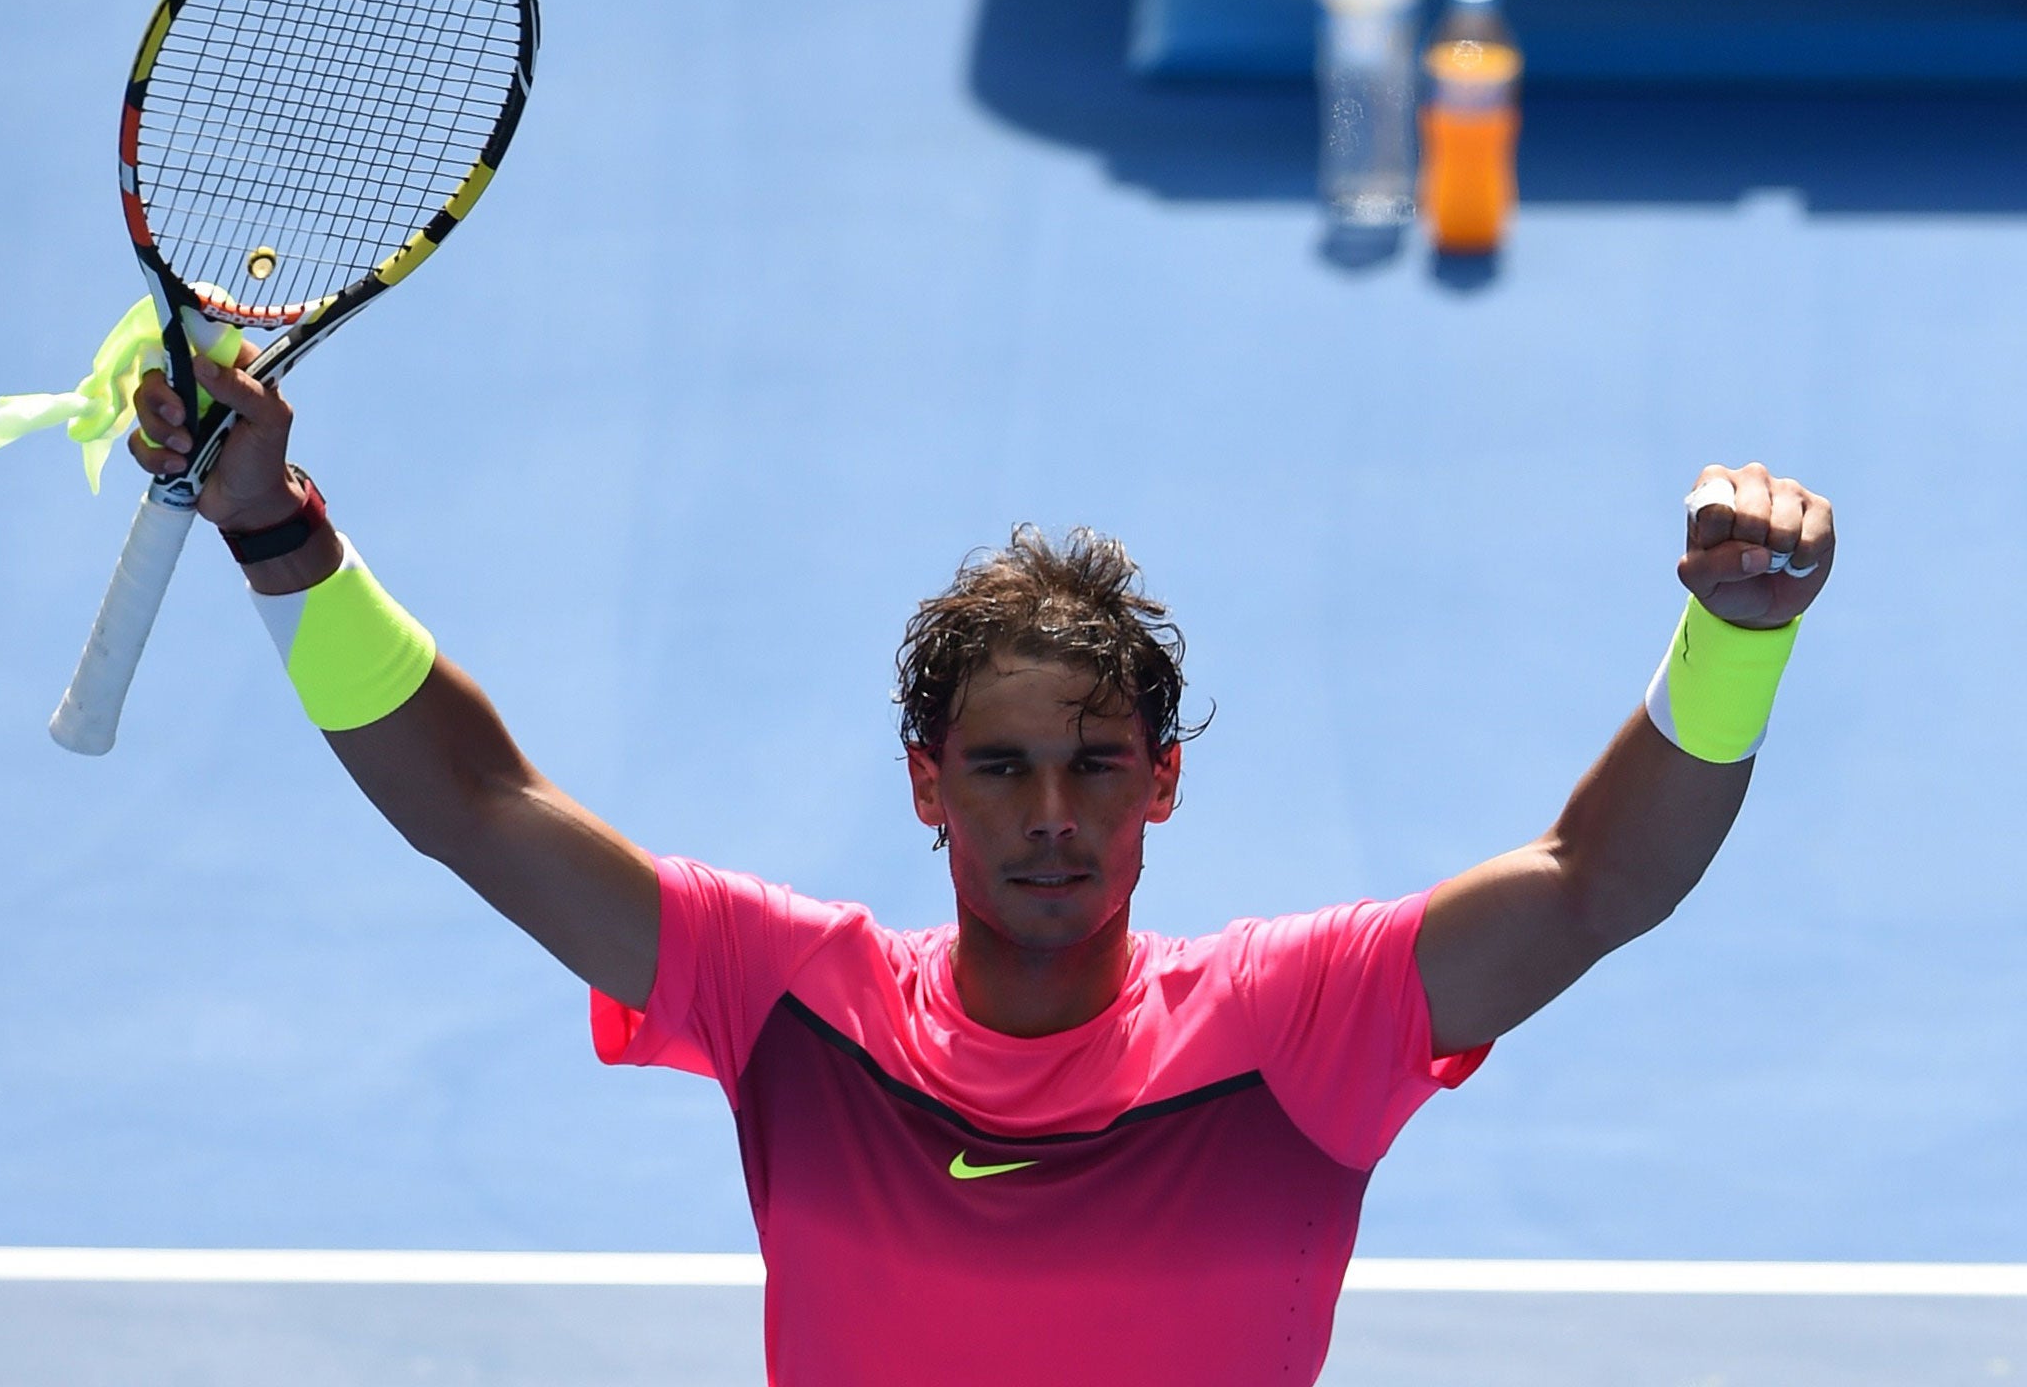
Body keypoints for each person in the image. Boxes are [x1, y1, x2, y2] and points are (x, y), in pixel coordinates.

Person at [128, 348, 1834, 1386]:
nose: (1051, 815)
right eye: (1002, 769)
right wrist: (283, 535)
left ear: (1162, 786)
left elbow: (1598, 881)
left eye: (1097, 767)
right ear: (927, 790)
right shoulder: (787, 988)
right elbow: (477, 807)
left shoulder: (1300, 1019)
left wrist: (1731, 644)